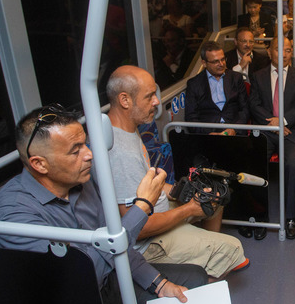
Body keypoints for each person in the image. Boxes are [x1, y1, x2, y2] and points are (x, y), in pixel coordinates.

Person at [0, 104, 207, 304]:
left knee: (193, 281)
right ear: (39, 164)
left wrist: (159, 283)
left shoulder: (82, 182)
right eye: (74, 151)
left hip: (106, 282)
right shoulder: (12, 216)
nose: (88, 155)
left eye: (85, 144)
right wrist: (143, 206)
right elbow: (77, 280)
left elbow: (116, 242)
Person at [106, 66, 248, 279]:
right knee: (234, 248)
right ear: (125, 100)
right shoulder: (120, 153)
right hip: (146, 244)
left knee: (213, 198)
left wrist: (185, 191)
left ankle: (200, 251)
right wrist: (189, 208)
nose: (156, 101)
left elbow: (145, 184)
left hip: (158, 208)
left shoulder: (127, 128)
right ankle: (196, 275)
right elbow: (137, 229)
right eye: (149, 96)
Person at [249, 37, 295, 239]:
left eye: (287, 50)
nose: (283, 53)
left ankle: (291, 217)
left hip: (290, 131)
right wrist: (273, 124)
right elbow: (255, 104)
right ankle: (258, 216)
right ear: (269, 52)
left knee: (293, 166)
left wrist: (282, 121)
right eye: (279, 49)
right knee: (255, 164)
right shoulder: (258, 76)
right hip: (267, 130)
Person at [185, 41, 249, 136]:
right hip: (207, 135)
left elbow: (245, 109)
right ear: (204, 63)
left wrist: (234, 129)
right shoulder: (194, 84)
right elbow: (191, 117)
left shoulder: (235, 78)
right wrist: (209, 134)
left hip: (234, 131)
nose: (221, 64)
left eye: (223, 59)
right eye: (215, 61)